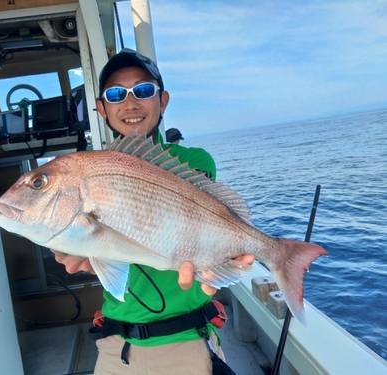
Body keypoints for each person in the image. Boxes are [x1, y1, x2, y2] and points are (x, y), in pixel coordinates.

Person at [52, 48, 254, 375]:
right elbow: (105, 248)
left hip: (187, 340)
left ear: (163, 100)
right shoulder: (89, 170)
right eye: (116, 94)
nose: (131, 103)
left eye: (144, 91)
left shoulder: (193, 162)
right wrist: (84, 253)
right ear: (101, 109)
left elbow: (182, 227)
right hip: (116, 346)